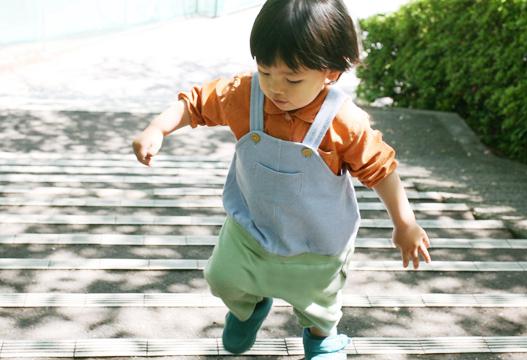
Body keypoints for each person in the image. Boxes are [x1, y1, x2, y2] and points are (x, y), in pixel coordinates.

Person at [132, 0, 431, 358]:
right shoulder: (245, 95)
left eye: (293, 78)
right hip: (251, 227)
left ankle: (322, 337)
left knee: (319, 302)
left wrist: (405, 224)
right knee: (221, 278)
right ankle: (250, 308)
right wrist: (158, 128)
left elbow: (382, 170)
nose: (276, 87)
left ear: (331, 73)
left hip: (318, 241)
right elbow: (196, 103)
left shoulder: (344, 123)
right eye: (265, 70)